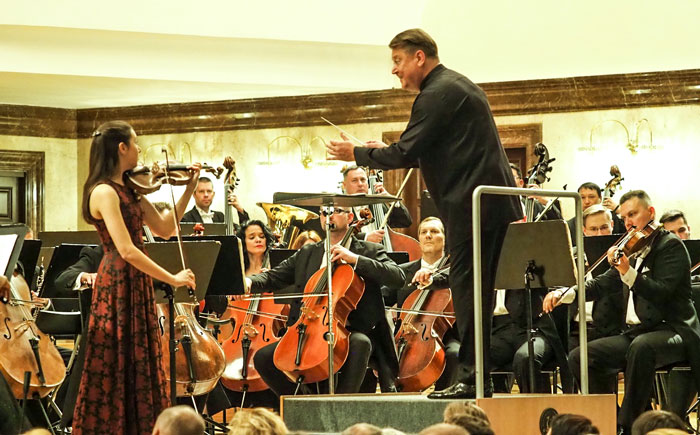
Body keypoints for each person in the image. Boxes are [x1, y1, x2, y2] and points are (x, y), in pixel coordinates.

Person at [327, 28, 523, 399]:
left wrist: (357, 154)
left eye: (398, 61)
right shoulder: (452, 87)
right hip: (483, 205)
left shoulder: (436, 93)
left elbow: (405, 153)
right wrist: (381, 149)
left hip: (474, 207)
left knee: (468, 292)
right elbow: (427, 150)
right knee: (473, 291)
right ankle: (476, 378)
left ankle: (472, 379)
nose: (394, 70)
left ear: (419, 57)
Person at [72, 121, 197, 434]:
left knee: (139, 356)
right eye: (136, 143)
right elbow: (126, 250)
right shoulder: (104, 192)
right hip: (116, 280)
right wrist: (173, 278)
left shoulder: (131, 190)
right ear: (122, 148)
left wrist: (189, 188)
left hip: (135, 281)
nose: (140, 150)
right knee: (116, 358)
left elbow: (166, 228)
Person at [549, 190, 700, 433]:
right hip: (637, 333)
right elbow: (601, 284)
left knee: (642, 347)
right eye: (624, 217)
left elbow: (661, 292)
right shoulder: (632, 248)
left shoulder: (671, 246)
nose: (628, 222)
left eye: (633, 214)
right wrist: (566, 293)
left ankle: (629, 426)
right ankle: (612, 420)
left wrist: (628, 273)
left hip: (674, 330)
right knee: (581, 357)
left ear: (650, 213)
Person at [250, 207, 405, 399]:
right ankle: (302, 404)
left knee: (360, 343)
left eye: (336, 211)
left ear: (350, 217)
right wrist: (248, 282)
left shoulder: (368, 250)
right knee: (264, 357)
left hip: (352, 330)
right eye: (324, 212)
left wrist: (355, 259)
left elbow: (398, 277)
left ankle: (339, 406)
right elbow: (273, 277)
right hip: (310, 328)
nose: (328, 215)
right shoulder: (308, 253)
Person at [382, 217, 458, 391]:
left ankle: (441, 397)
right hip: (403, 335)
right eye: (424, 232)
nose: (428, 236)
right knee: (381, 353)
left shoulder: (455, 272)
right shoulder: (403, 271)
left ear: (445, 239)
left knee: (455, 354)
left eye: (434, 232)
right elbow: (382, 299)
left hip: (446, 335)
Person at [341, 165, 413, 244]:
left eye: (363, 180)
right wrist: (365, 237)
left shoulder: (379, 205)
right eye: (354, 181)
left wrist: (391, 201)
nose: (360, 184)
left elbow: (405, 221)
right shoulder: (340, 210)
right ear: (344, 185)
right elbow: (338, 236)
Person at [180, 176, 249, 224]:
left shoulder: (220, 217)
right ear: (194, 195)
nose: (206, 195)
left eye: (209, 191)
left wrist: (239, 208)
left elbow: (244, 232)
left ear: (213, 194)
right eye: (201, 191)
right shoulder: (186, 219)